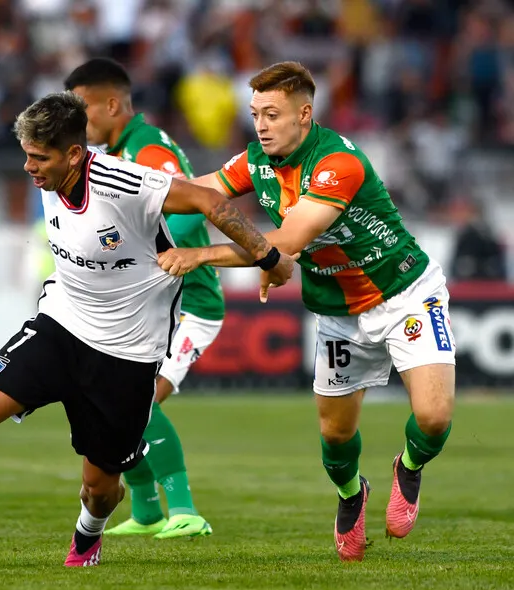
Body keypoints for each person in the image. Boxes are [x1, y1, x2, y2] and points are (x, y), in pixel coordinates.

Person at [0, 91, 296, 567]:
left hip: (126, 354)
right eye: (25, 155)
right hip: (60, 326)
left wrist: (267, 257)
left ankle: (88, 535)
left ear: (75, 155)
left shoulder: (126, 182)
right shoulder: (47, 176)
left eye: (39, 158)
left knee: (99, 489)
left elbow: (209, 199)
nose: (28, 168)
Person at [158, 61, 456, 562]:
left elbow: (288, 241)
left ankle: (408, 466)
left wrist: (200, 254)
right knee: (336, 435)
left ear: (304, 114)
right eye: (254, 114)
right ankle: (350, 494)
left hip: (405, 290)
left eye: (271, 114)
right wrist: (130, 194)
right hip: (337, 311)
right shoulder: (256, 161)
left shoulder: (338, 162)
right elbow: (200, 191)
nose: (261, 125)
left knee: (433, 416)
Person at [65, 57, 221, 539]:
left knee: (141, 401)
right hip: (147, 307)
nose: (76, 123)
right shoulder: (114, 153)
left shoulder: (148, 150)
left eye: (82, 110)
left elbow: (193, 208)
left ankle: (186, 511)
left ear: (112, 104)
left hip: (187, 303)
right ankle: (149, 510)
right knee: (111, 403)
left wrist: (157, 259)